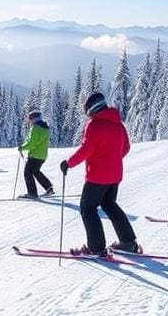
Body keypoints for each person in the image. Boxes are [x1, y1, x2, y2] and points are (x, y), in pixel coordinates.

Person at [59, 91, 139, 255]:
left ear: (90, 109)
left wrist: (69, 163)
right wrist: (112, 160)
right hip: (115, 175)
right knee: (110, 205)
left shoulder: (95, 124)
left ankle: (96, 248)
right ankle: (128, 242)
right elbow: (126, 148)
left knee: (88, 208)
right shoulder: (119, 124)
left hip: (97, 176)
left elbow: (86, 150)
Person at [18, 111, 54, 199]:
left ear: (34, 118)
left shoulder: (35, 128)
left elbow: (32, 143)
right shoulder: (45, 128)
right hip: (42, 156)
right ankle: (49, 188)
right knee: (36, 171)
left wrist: (22, 147)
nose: (29, 121)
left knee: (27, 173)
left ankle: (32, 193)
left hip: (35, 155)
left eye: (30, 118)